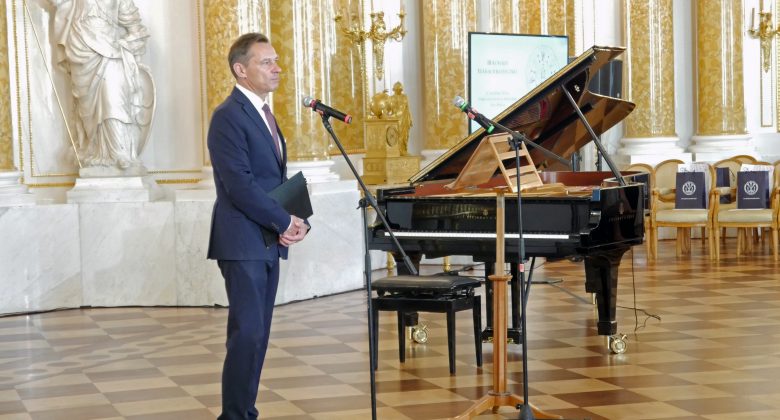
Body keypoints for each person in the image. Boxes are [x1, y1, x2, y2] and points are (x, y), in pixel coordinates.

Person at [206, 32, 309, 420]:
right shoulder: (228, 116)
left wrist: (297, 219)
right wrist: (283, 219)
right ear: (241, 69)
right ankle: (234, 416)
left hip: (267, 238)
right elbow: (240, 185)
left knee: (258, 334)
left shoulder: (265, 114)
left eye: (276, 60)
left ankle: (245, 412)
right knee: (247, 334)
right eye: (266, 62)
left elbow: (272, 181)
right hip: (242, 240)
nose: (277, 68)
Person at [52, 0, 155, 171]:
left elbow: (134, 25)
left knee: (114, 99)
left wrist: (131, 43)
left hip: (111, 51)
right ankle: (94, 151)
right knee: (88, 110)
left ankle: (120, 152)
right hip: (80, 49)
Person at [389, 81, 412, 155]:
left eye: (400, 89)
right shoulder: (391, 98)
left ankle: (404, 150)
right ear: (394, 89)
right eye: (397, 89)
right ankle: (397, 150)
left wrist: (410, 118)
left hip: (404, 118)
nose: (399, 91)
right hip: (395, 119)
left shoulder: (404, 97)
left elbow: (407, 108)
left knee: (405, 135)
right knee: (396, 134)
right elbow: (388, 109)